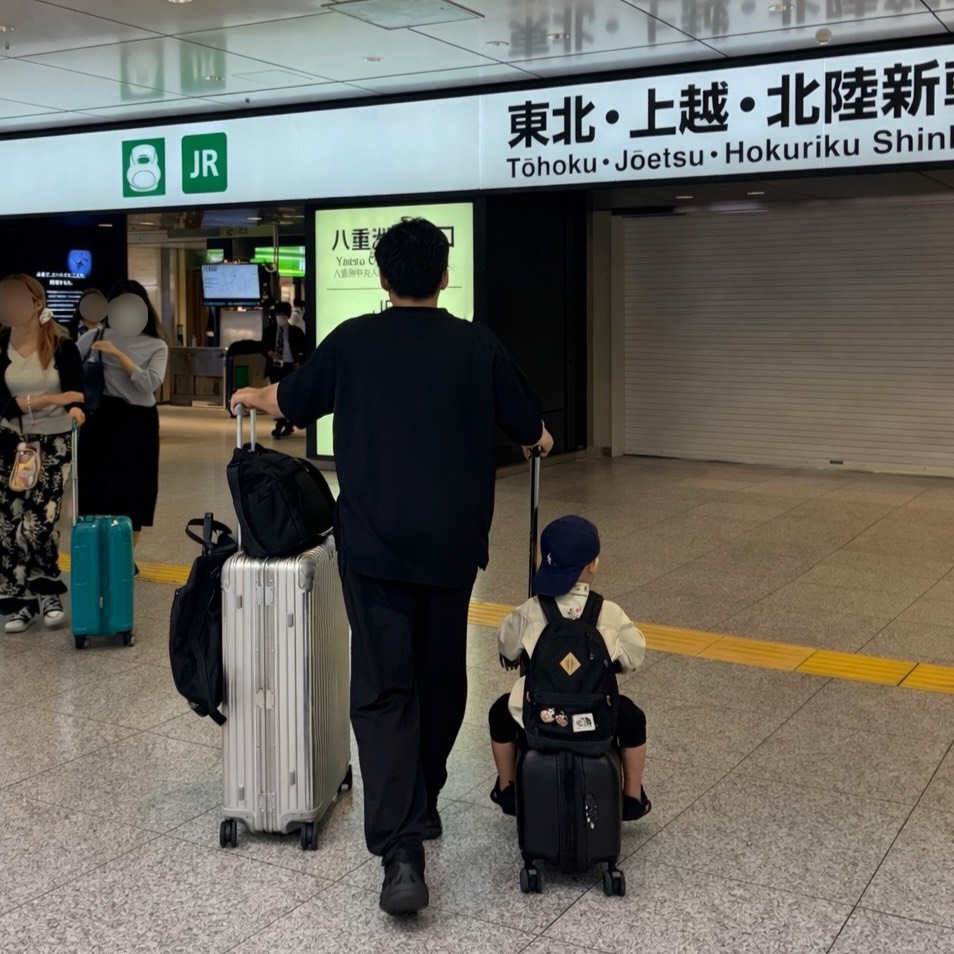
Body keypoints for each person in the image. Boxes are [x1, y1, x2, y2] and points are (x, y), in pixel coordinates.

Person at [232, 217, 553, 917]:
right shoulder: (477, 344)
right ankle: (424, 797)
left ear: (382, 278)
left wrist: (252, 397)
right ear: (444, 276)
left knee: (383, 688)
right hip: (451, 547)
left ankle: (401, 851)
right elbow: (530, 425)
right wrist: (539, 437)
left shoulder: (353, 340)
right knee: (440, 677)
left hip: (374, 548)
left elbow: (290, 401)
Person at [488, 515, 652, 822]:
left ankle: (507, 788)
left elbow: (506, 648)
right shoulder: (609, 613)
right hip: (596, 718)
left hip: (540, 717)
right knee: (633, 719)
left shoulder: (530, 610)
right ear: (593, 565)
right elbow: (635, 654)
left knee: (500, 713)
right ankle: (632, 796)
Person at [0, 274, 85, 633]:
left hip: (53, 444)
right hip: (11, 444)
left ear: (37, 303)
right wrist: (49, 399)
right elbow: (5, 404)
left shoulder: (62, 346)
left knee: (39, 523)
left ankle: (46, 590)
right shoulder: (0, 346)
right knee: (9, 524)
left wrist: (73, 407)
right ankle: (20, 600)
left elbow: (78, 395)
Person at [76, 281, 168, 550]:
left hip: (138, 422)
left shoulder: (156, 345)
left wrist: (118, 355)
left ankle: (125, 556)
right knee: (96, 489)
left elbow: (149, 383)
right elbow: (68, 368)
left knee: (134, 491)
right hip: (100, 419)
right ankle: (98, 554)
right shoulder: (93, 337)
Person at [262, 301, 306, 438]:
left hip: (290, 367)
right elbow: (263, 346)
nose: (279, 318)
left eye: (282, 315)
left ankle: (286, 423)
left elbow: (303, 349)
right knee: (276, 396)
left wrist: (299, 362)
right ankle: (281, 422)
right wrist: (269, 352)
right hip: (275, 368)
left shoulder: (296, 332)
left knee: (289, 395)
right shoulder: (269, 331)